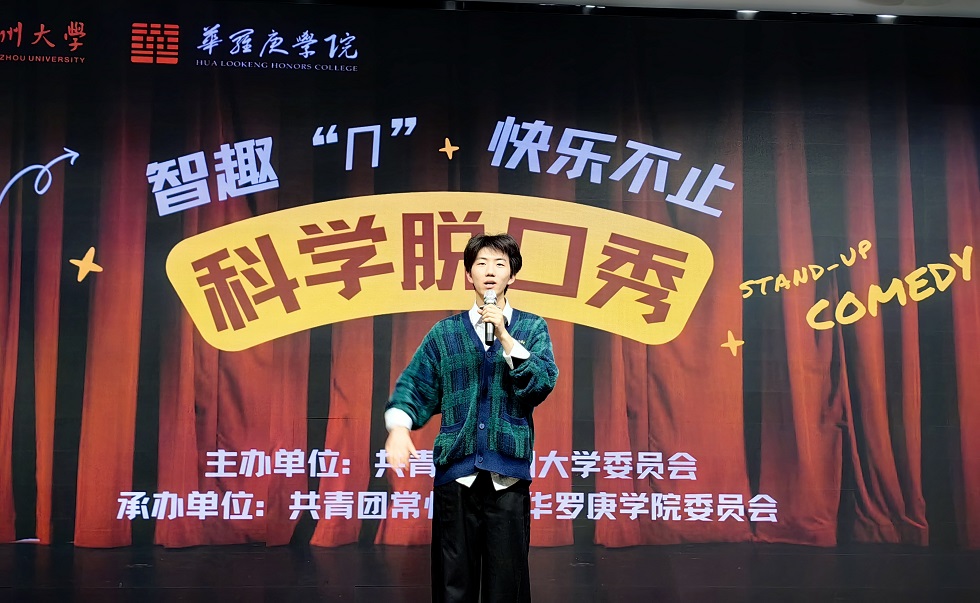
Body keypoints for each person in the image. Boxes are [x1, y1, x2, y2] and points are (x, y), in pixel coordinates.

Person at [384, 233, 559, 603]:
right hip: (457, 476)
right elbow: (416, 384)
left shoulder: (531, 328)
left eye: (499, 264)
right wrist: (399, 427)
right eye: (481, 264)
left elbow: (541, 383)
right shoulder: (445, 333)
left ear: (512, 276)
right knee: (453, 584)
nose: (490, 271)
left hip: (507, 477)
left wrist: (505, 337)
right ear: (469, 274)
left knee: (507, 587)